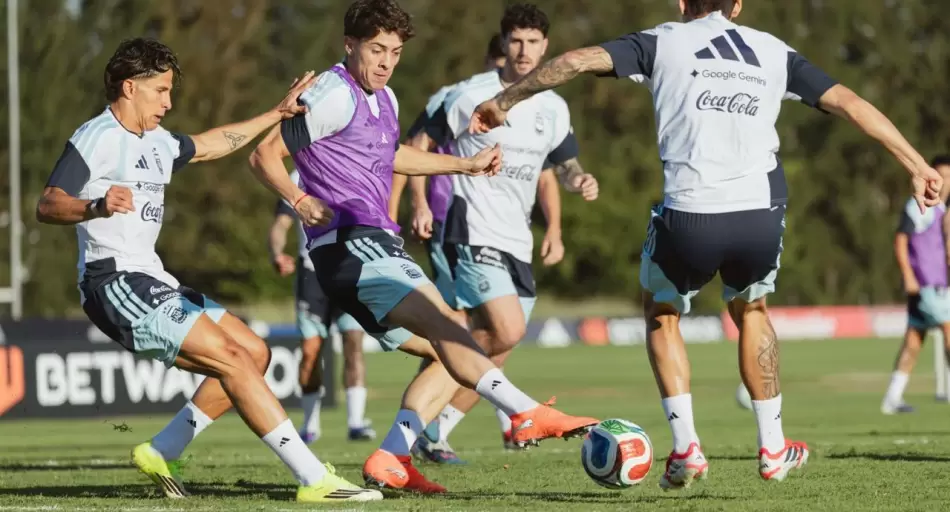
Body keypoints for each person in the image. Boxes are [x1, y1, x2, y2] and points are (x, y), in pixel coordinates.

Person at [468, 0, 943, 489]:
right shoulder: (774, 50)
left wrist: (504, 102)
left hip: (691, 214)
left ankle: (687, 447)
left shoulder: (660, 40)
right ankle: (774, 448)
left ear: (681, 3)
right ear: (737, 6)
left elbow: (572, 62)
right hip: (759, 213)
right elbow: (851, 104)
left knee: (662, 312)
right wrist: (917, 165)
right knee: (752, 311)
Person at [248, 0, 598, 494]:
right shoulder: (331, 93)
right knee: (448, 327)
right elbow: (263, 154)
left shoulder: (384, 98)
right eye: (376, 49)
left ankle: (392, 456)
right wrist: (299, 199)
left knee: (449, 346)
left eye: (394, 51)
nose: (387, 61)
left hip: (372, 244)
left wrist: (464, 166)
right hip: (352, 244)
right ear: (350, 45)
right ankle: (526, 412)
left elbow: (392, 156)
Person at [35, 38, 382, 502]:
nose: (169, 102)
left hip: (153, 278)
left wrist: (276, 114)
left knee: (254, 353)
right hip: (112, 282)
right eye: (160, 91)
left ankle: (163, 449)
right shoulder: (96, 136)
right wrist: (94, 205)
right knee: (234, 360)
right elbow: (48, 203)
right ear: (128, 87)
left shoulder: (158, 142)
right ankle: (313, 478)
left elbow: (213, 144)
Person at [403, 4, 599, 465]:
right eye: (516, 40)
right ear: (503, 43)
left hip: (517, 241)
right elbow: (416, 146)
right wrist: (417, 203)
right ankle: (425, 418)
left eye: (533, 41)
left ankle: (427, 430)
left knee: (495, 348)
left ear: (546, 46)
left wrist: (580, 181)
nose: (524, 50)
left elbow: (563, 166)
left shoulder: (554, 106)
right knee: (506, 328)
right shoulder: (470, 95)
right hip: (471, 229)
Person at [269, 169, 376, 442]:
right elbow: (281, 224)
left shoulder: (350, 166)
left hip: (348, 271)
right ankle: (310, 425)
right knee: (310, 352)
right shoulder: (297, 176)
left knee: (353, 344)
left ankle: (355, 423)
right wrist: (277, 253)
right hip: (311, 274)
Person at [882, 156, 950, 414]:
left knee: (913, 342)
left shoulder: (943, 211)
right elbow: (901, 240)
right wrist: (908, 276)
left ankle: (892, 397)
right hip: (926, 284)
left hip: (938, 285)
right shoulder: (920, 205)